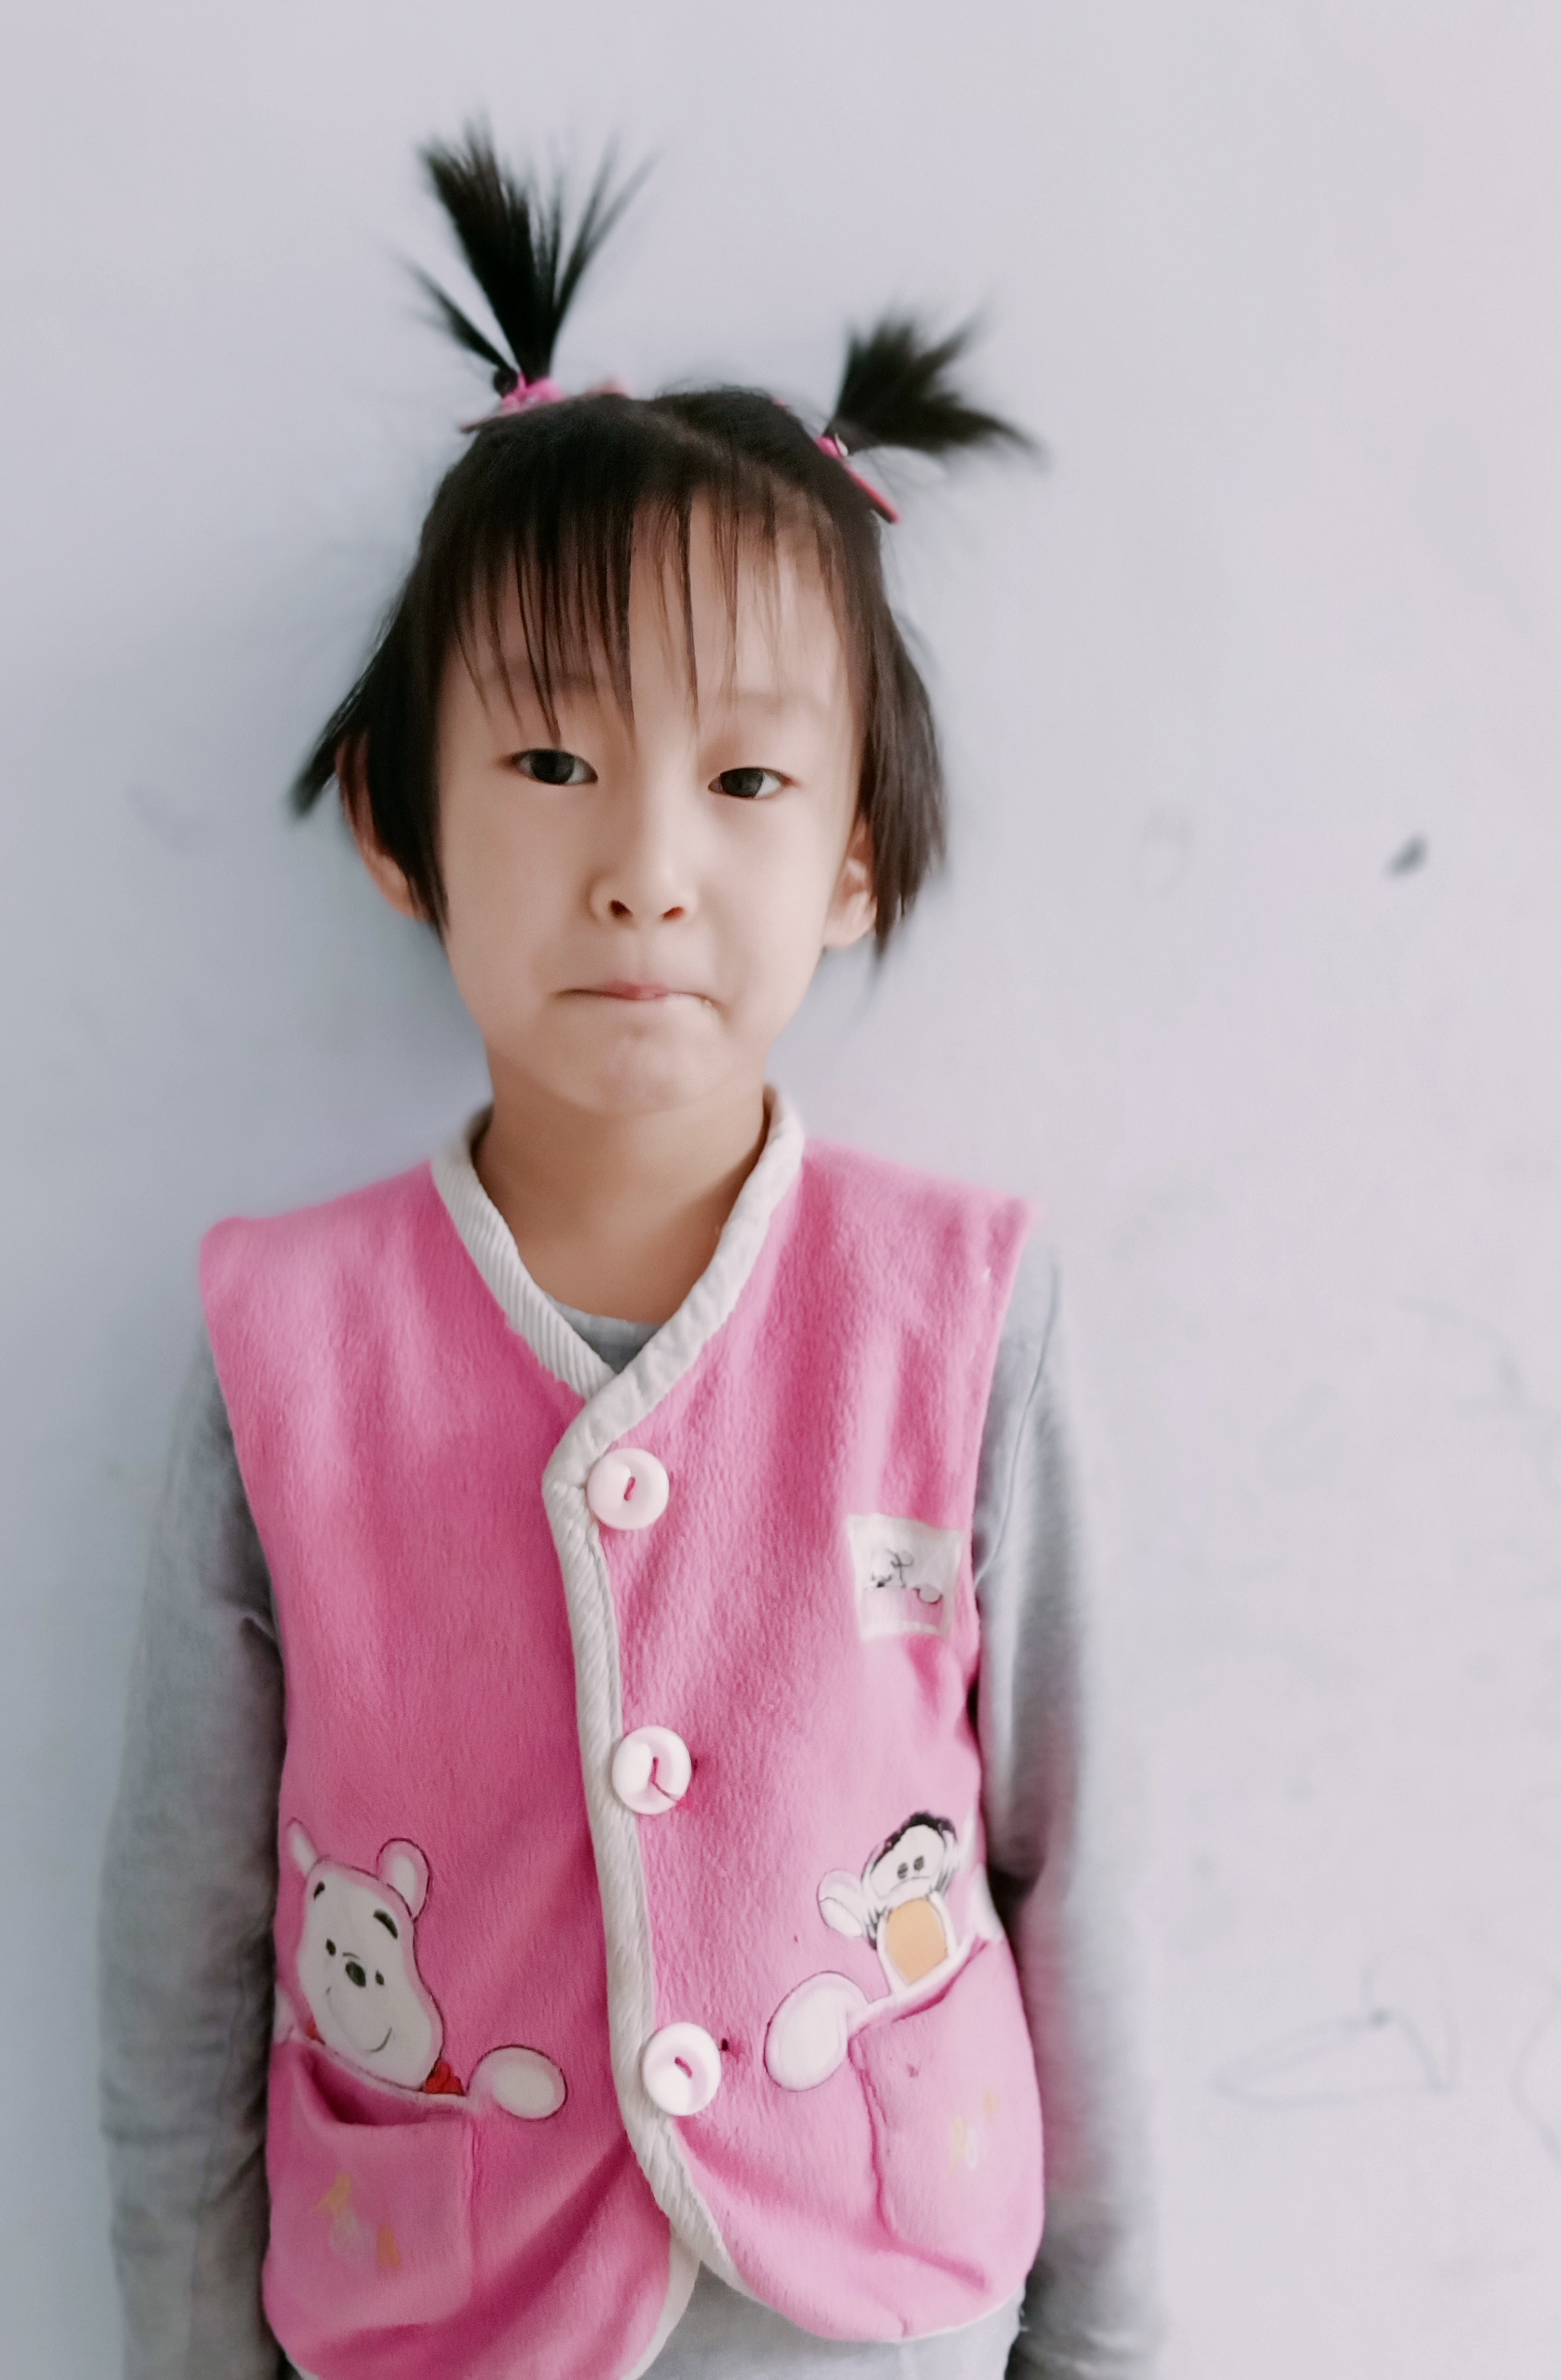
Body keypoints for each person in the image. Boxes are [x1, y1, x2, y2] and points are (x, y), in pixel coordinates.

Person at [99, 128, 1155, 2380]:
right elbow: (182, 1931)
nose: (647, 867)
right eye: (554, 761)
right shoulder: (289, 1344)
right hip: (440, 2308)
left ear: (856, 858)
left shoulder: (963, 1313)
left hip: (877, 2301)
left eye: (747, 784)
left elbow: (1079, 1861)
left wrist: (1117, 2345)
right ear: (400, 820)